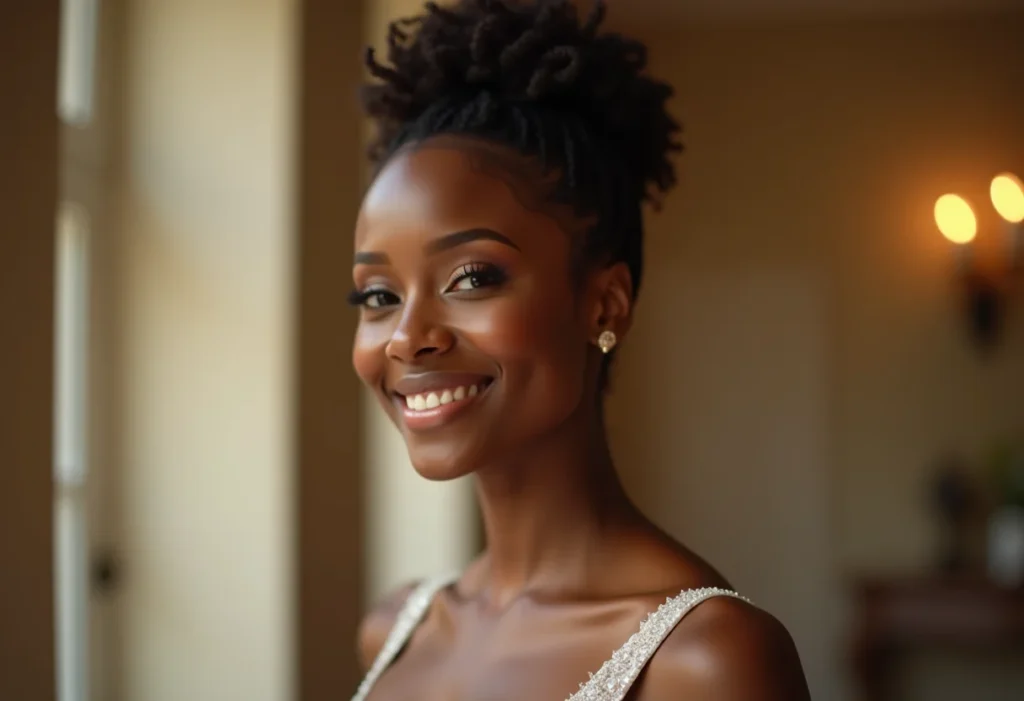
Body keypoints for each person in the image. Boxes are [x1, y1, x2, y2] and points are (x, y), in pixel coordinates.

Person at [348, 1, 811, 699]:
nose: (408, 336)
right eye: (379, 294)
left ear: (605, 305)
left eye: (471, 277)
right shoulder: (393, 630)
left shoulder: (707, 659)